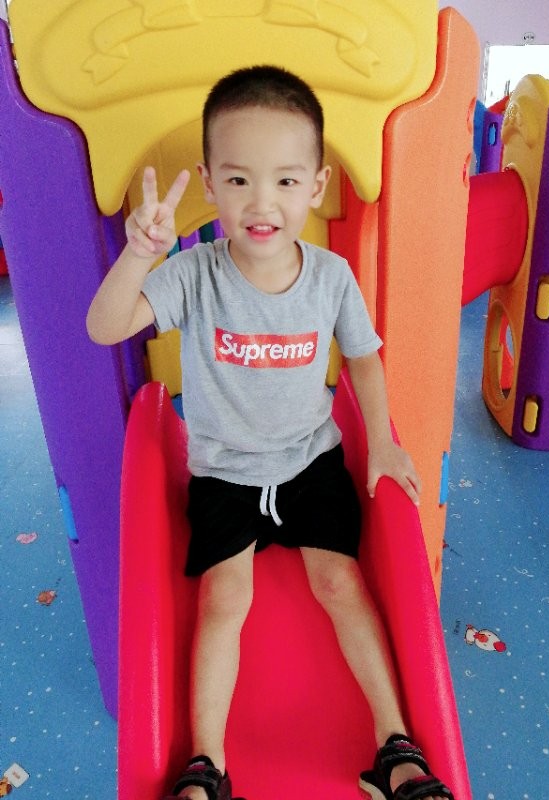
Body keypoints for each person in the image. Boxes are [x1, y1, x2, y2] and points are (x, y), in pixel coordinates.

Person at [87, 65, 453, 800]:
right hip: (224, 471)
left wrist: (381, 442)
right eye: (239, 180)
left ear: (316, 185)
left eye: (285, 181)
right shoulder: (194, 274)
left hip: (309, 463)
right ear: (209, 182)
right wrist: (140, 254)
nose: (262, 203)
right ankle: (207, 764)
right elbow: (105, 326)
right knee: (225, 598)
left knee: (342, 583)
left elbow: (363, 359)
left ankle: (395, 745)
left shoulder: (331, 277)